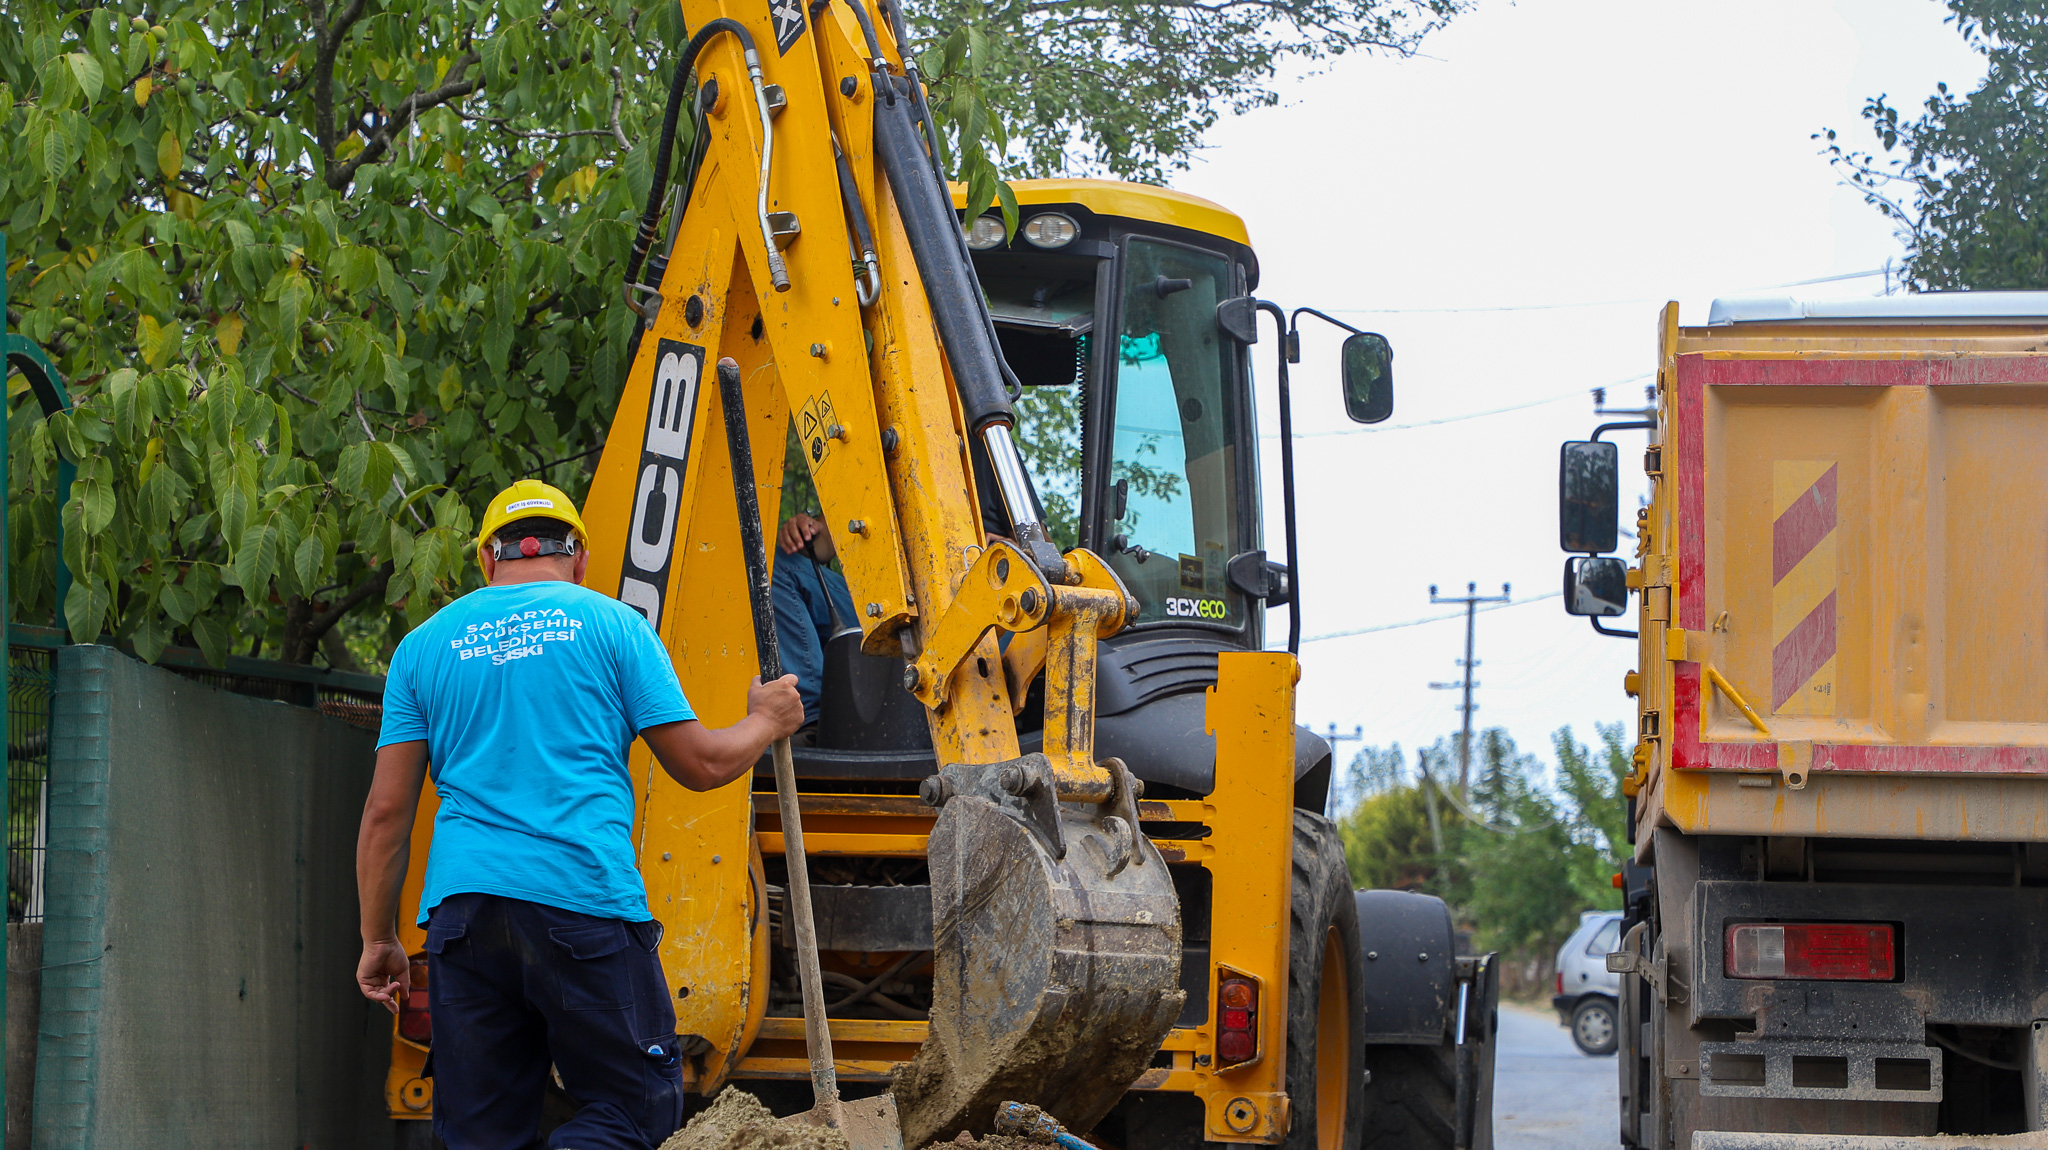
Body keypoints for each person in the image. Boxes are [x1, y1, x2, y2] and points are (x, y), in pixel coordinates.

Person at [355, 479, 804, 1150]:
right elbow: (702, 765)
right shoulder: (614, 626)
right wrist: (766, 720)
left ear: (487, 561)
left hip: (464, 916)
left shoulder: (422, 648)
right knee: (631, 1112)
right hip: (581, 904)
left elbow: (387, 813)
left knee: (479, 1134)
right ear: (581, 559)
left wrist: (378, 939)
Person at [771, 511, 858, 728]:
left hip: (906, 604)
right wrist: (805, 530)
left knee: (775, 566)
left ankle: (809, 714)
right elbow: (824, 544)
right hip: (864, 600)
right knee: (775, 563)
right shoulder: (862, 490)